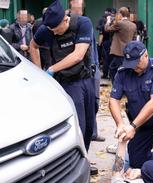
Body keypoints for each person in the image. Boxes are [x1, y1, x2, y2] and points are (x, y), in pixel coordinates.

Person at [30, 0, 96, 154]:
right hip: (67, 83)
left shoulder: (83, 23)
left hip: (86, 77)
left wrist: (51, 69)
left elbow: (78, 55)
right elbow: (33, 46)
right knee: (79, 124)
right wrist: (39, 71)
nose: (53, 33)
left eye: (56, 29)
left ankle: (84, 154)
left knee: (90, 125)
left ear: (65, 19)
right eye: (50, 29)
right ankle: (78, 159)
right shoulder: (47, 29)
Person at [109, 41, 153, 169]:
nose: (134, 66)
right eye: (130, 63)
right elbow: (113, 100)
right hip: (142, 122)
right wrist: (120, 124)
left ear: (146, 55)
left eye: (137, 62)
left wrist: (132, 126)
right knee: (136, 161)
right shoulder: (123, 72)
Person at [69, 0, 105, 143]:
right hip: (77, 71)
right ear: (70, 9)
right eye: (74, 8)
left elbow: (93, 48)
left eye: (79, 8)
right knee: (80, 104)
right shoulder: (68, 24)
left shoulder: (86, 23)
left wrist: (96, 68)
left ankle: (93, 132)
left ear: (83, 10)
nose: (77, 11)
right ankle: (82, 135)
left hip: (92, 68)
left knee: (94, 102)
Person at [105, 7, 136, 82]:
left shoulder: (120, 23)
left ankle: (117, 86)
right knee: (122, 69)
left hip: (118, 52)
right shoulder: (133, 25)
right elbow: (134, 38)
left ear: (120, 14)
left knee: (114, 69)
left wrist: (108, 21)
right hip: (128, 51)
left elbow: (107, 29)